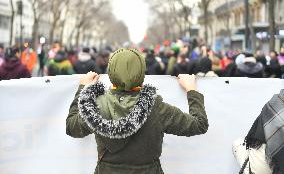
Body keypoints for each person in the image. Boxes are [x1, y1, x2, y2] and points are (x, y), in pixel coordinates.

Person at [66, 48, 209, 174]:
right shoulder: (157, 108)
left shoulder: (95, 105)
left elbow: (72, 127)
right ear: (141, 72)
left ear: (111, 71)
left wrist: (83, 88)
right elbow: (199, 124)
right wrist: (191, 90)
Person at [233, 89, 284, 174]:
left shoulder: (275, 101)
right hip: (269, 163)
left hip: (264, 164)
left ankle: (249, 170)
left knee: (238, 145)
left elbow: (256, 133)